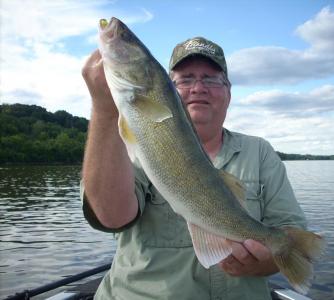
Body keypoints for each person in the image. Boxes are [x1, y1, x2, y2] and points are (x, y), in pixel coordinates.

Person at [81, 36, 307, 300]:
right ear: (166, 90)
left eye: (211, 79)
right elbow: (111, 217)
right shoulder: (128, 147)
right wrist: (105, 109)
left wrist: (269, 260)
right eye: (185, 79)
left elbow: (290, 234)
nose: (198, 88)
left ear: (229, 92)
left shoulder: (260, 152)